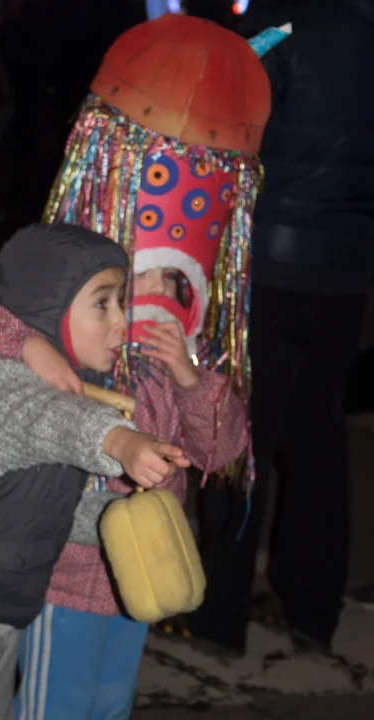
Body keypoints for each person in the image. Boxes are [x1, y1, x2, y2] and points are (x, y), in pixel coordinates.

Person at [0, 222, 190, 720]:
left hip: (1, 602)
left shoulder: (76, 385)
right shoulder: (0, 378)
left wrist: (130, 524)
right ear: (50, 306)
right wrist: (119, 441)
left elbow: (60, 506)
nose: (122, 322)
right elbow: (43, 419)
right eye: (103, 303)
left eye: (121, 302)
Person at [0, 255, 248, 718]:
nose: (159, 290)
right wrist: (29, 344)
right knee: (55, 705)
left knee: (111, 701)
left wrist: (189, 377)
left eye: (169, 277)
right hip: (63, 576)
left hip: (141, 571)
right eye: (142, 276)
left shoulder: (183, 358)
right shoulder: (75, 340)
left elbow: (220, 452)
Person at [191, 0, 374, 656]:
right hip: (347, 270)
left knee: (241, 436)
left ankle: (219, 617)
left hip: (268, 264)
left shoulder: (279, 23)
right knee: (318, 434)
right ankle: (311, 612)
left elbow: (228, 128)